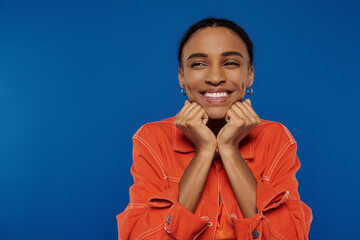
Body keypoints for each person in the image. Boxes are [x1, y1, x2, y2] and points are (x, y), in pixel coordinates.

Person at [116, 17, 312, 240]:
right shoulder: (153, 138)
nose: (216, 78)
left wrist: (229, 149)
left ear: (250, 75)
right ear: (182, 77)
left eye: (230, 63)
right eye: (199, 64)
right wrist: (204, 151)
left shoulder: (275, 138)